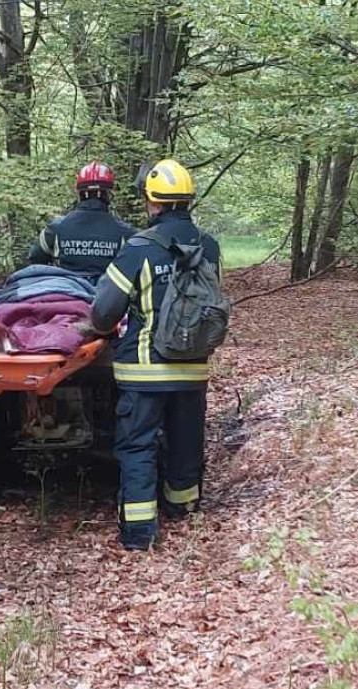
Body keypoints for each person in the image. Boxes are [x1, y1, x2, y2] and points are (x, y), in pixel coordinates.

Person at [88, 159, 222, 551]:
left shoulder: (139, 248)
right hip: (193, 366)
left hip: (146, 369)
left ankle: (140, 532)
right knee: (185, 440)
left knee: (137, 445)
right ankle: (184, 508)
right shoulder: (209, 247)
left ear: (152, 201)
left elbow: (103, 311)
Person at [28, 161, 136, 282]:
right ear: (109, 194)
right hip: (107, 297)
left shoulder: (56, 228)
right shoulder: (125, 233)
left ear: (79, 193)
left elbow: (35, 257)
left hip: (67, 293)